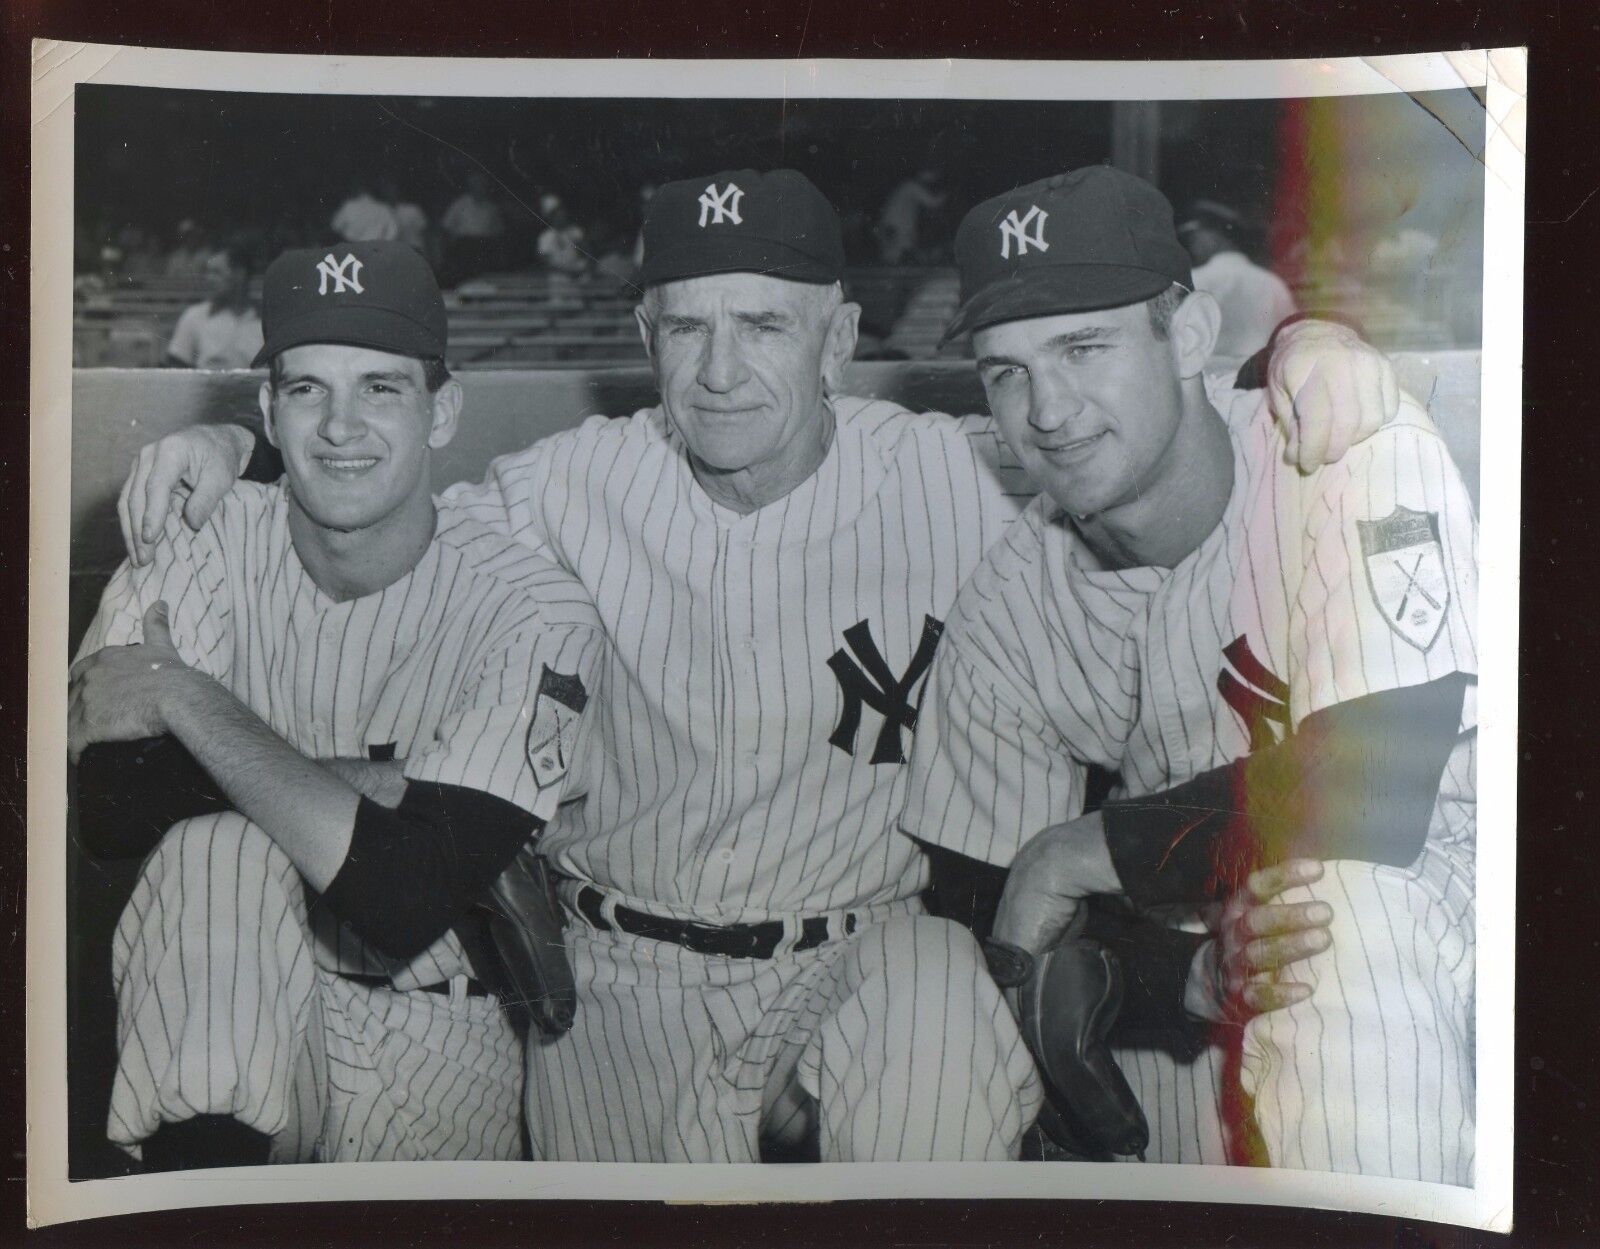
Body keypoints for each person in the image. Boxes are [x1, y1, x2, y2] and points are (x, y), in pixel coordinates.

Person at [114, 169, 1400, 1164]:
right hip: (620, 981)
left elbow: (1127, 425)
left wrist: (1303, 347)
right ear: (644, 334)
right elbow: (386, 497)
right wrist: (249, 454)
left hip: (866, 953)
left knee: (933, 1033)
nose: (721, 370)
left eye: (763, 326)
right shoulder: (563, 488)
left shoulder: (957, 471)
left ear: (836, 336)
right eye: (687, 329)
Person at [903, 166, 1476, 1180]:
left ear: (1188, 338)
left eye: (1083, 347)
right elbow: (983, 894)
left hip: (1426, 935)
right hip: (1191, 976)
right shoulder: (1013, 593)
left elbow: (1376, 787)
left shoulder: (1339, 446)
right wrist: (1185, 973)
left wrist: (1076, 851)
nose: (1045, 409)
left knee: (1336, 925)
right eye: (1005, 370)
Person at [72, 241, 605, 1167]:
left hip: (448, 1032)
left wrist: (186, 697)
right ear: (268, 412)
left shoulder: (530, 601)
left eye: (382, 388)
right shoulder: (197, 536)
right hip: (241, 1000)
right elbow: (110, 806)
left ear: (444, 412)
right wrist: (401, 786)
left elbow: (407, 895)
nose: (340, 426)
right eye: (308, 389)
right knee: (213, 854)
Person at [1178, 200, 1298, 362]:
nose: (1192, 245)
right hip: (1256, 380)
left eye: (1196, 237)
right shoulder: (1272, 284)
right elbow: (1291, 340)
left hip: (1208, 380)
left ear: (1217, 236)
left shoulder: (1194, 279)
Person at [164, 245, 264, 370]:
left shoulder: (265, 320)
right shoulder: (194, 316)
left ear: (239, 275)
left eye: (216, 272)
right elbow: (176, 368)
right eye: (207, 272)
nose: (208, 279)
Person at [440, 170, 508, 284]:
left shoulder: (491, 208)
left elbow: (498, 233)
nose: (479, 187)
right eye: (475, 184)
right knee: (463, 280)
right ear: (470, 186)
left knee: (483, 280)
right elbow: (446, 229)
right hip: (464, 246)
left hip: (484, 247)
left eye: (482, 184)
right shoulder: (459, 204)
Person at [876, 168, 947, 264]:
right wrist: (945, 195)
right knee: (895, 253)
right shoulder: (911, 186)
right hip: (896, 226)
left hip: (893, 224)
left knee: (894, 253)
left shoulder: (905, 186)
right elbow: (932, 202)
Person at [330, 181, 401, 243]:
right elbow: (393, 231)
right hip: (375, 249)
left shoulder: (349, 206)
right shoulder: (383, 208)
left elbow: (336, 226)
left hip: (352, 248)